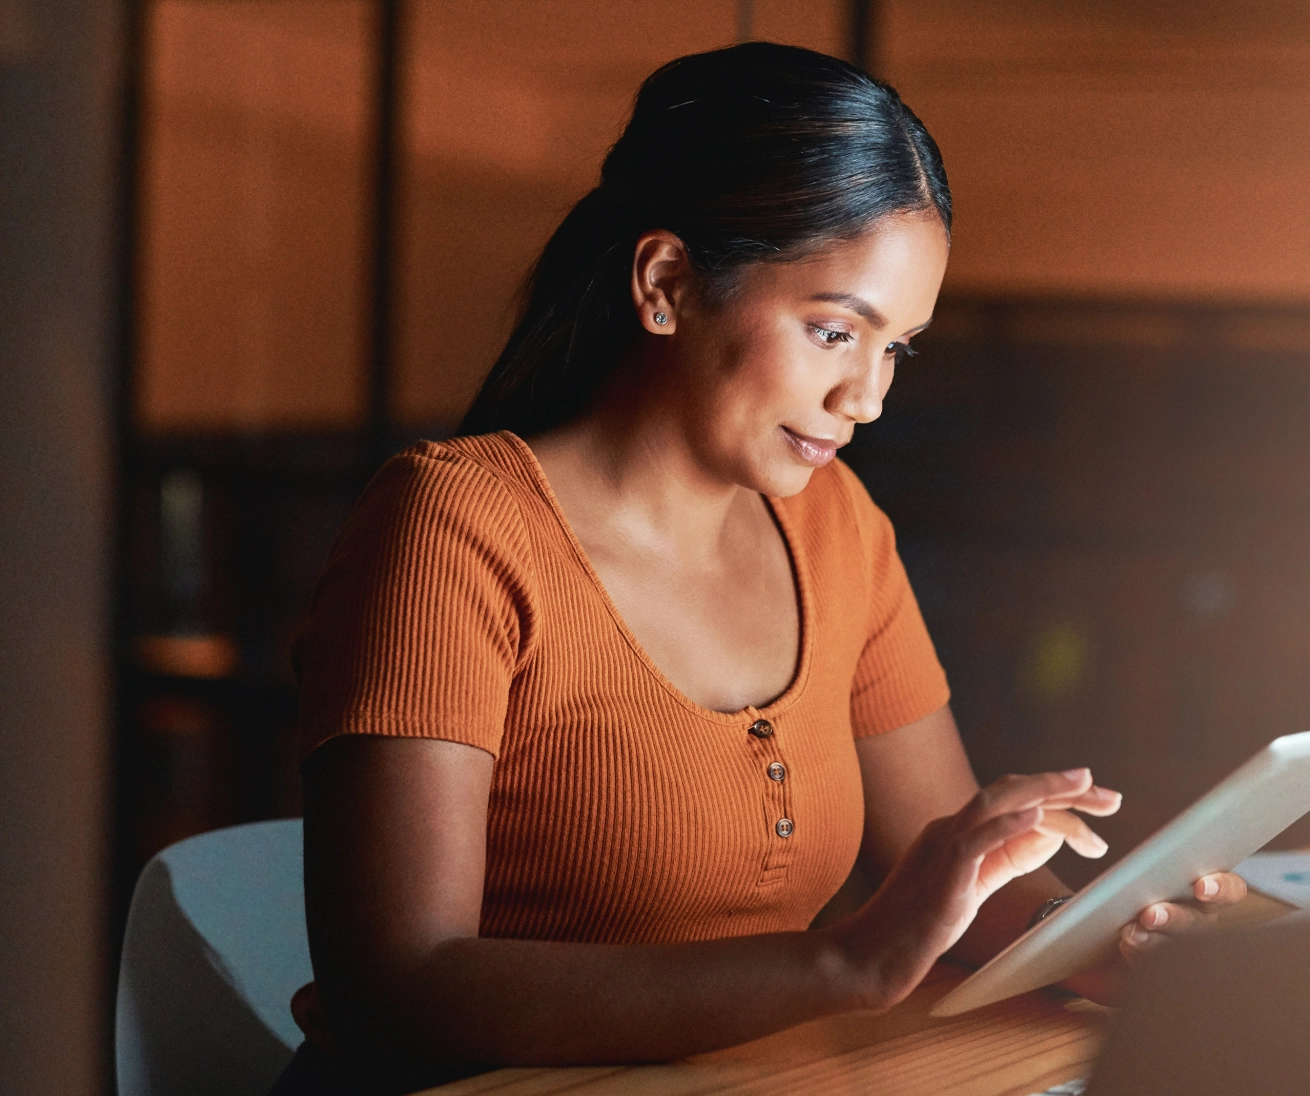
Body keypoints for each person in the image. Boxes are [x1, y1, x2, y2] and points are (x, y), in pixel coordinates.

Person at [276, 43, 1246, 1096]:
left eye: (895, 349)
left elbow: (952, 887)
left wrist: (1108, 942)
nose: (865, 398)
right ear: (666, 284)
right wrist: (844, 962)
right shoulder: (453, 526)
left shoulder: (836, 528)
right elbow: (394, 991)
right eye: (834, 331)